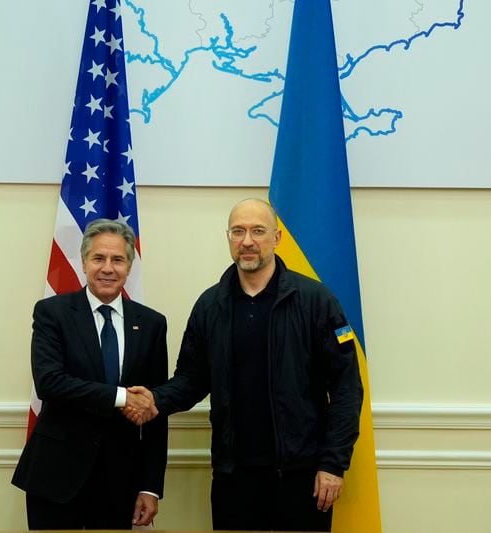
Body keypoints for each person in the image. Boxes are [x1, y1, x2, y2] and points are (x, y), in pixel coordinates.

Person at [126, 198, 364, 532]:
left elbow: (346, 389)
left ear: (277, 238)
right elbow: (192, 379)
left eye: (257, 231)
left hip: (302, 477)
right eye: (238, 231)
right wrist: (155, 400)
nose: (247, 241)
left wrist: (333, 464)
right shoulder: (210, 306)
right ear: (228, 238)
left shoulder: (316, 301)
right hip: (232, 477)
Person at [12, 218, 168, 530]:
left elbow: (153, 408)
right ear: (84, 262)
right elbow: (50, 383)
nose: (108, 268)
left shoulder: (151, 323)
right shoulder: (52, 313)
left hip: (119, 481)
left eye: (118, 260)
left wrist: (149, 486)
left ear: (130, 266)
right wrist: (123, 397)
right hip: (56, 474)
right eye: (98, 258)